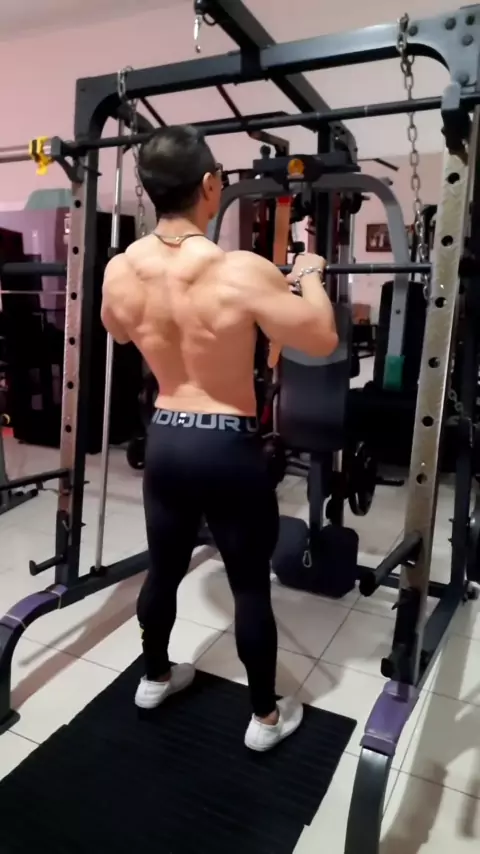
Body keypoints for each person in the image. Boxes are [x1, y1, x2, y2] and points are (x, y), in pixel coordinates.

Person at [101, 125, 338, 752]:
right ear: (210, 185)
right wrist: (310, 273)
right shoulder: (240, 270)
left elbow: (117, 331)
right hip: (226, 442)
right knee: (248, 585)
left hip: (167, 437)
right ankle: (265, 718)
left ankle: (154, 677)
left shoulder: (121, 269)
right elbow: (321, 337)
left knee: (163, 571)